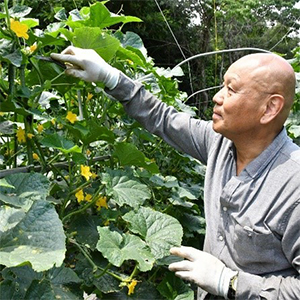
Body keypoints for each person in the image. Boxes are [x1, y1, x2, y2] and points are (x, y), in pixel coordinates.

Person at [51, 47, 300, 299]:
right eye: (222, 86)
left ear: (270, 108)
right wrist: (109, 76)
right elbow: (162, 117)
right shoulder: (218, 142)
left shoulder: (295, 185)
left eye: (231, 89)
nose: (217, 97)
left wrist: (230, 282)